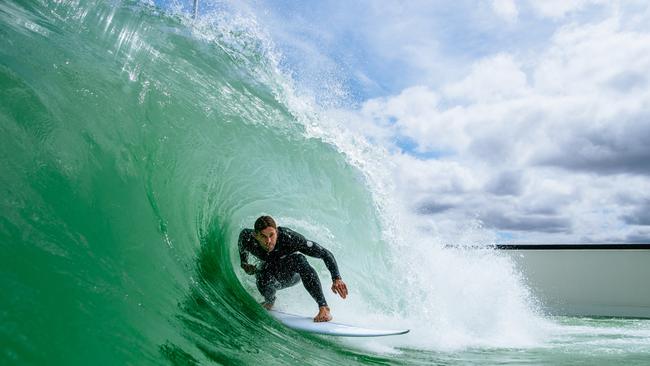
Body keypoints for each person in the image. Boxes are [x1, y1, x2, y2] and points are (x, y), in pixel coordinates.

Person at [238, 215, 348, 322]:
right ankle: (270, 301)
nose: (268, 241)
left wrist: (336, 278)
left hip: (291, 275)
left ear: (276, 232)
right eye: (263, 236)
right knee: (262, 271)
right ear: (255, 235)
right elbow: (242, 249)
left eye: (271, 235)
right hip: (269, 274)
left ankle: (324, 308)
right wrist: (244, 264)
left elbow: (325, 253)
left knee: (299, 259)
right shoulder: (247, 237)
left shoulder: (288, 238)